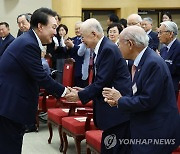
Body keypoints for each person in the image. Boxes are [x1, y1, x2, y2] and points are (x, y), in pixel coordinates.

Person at [0, 7, 70, 154]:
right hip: (10, 105)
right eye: (53, 27)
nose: (55, 32)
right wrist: (65, 92)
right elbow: (41, 76)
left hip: (10, 104)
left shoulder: (28, 40)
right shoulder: (29, 44)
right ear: (40, 26)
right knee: (10, 147)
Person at [102, 25, 180, 154]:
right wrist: (118, 101)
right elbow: (139, 93)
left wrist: (120, 100)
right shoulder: (142, 61)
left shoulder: (152, 63)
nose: (118, 47)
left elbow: (147, 101)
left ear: (130, 44)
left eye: (119, 43)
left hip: (156, 131)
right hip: (145, 124)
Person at [65, 18, 132, 154]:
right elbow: (101, 80)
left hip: (116, 112)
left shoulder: (108, 49)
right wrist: (84, 90)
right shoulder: (102, 48)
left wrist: (79, 95)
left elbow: (102, 82)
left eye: (83, 37)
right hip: (110, 110)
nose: (82, 40)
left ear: (94, 34)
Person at [158, 21, 180, 98]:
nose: (158, 36)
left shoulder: (178, 48)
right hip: (162, 86)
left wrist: (159, 62)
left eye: (160, 33)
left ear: (170, 34)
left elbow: (175, 69)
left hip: (173, 89)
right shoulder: (163, 49)